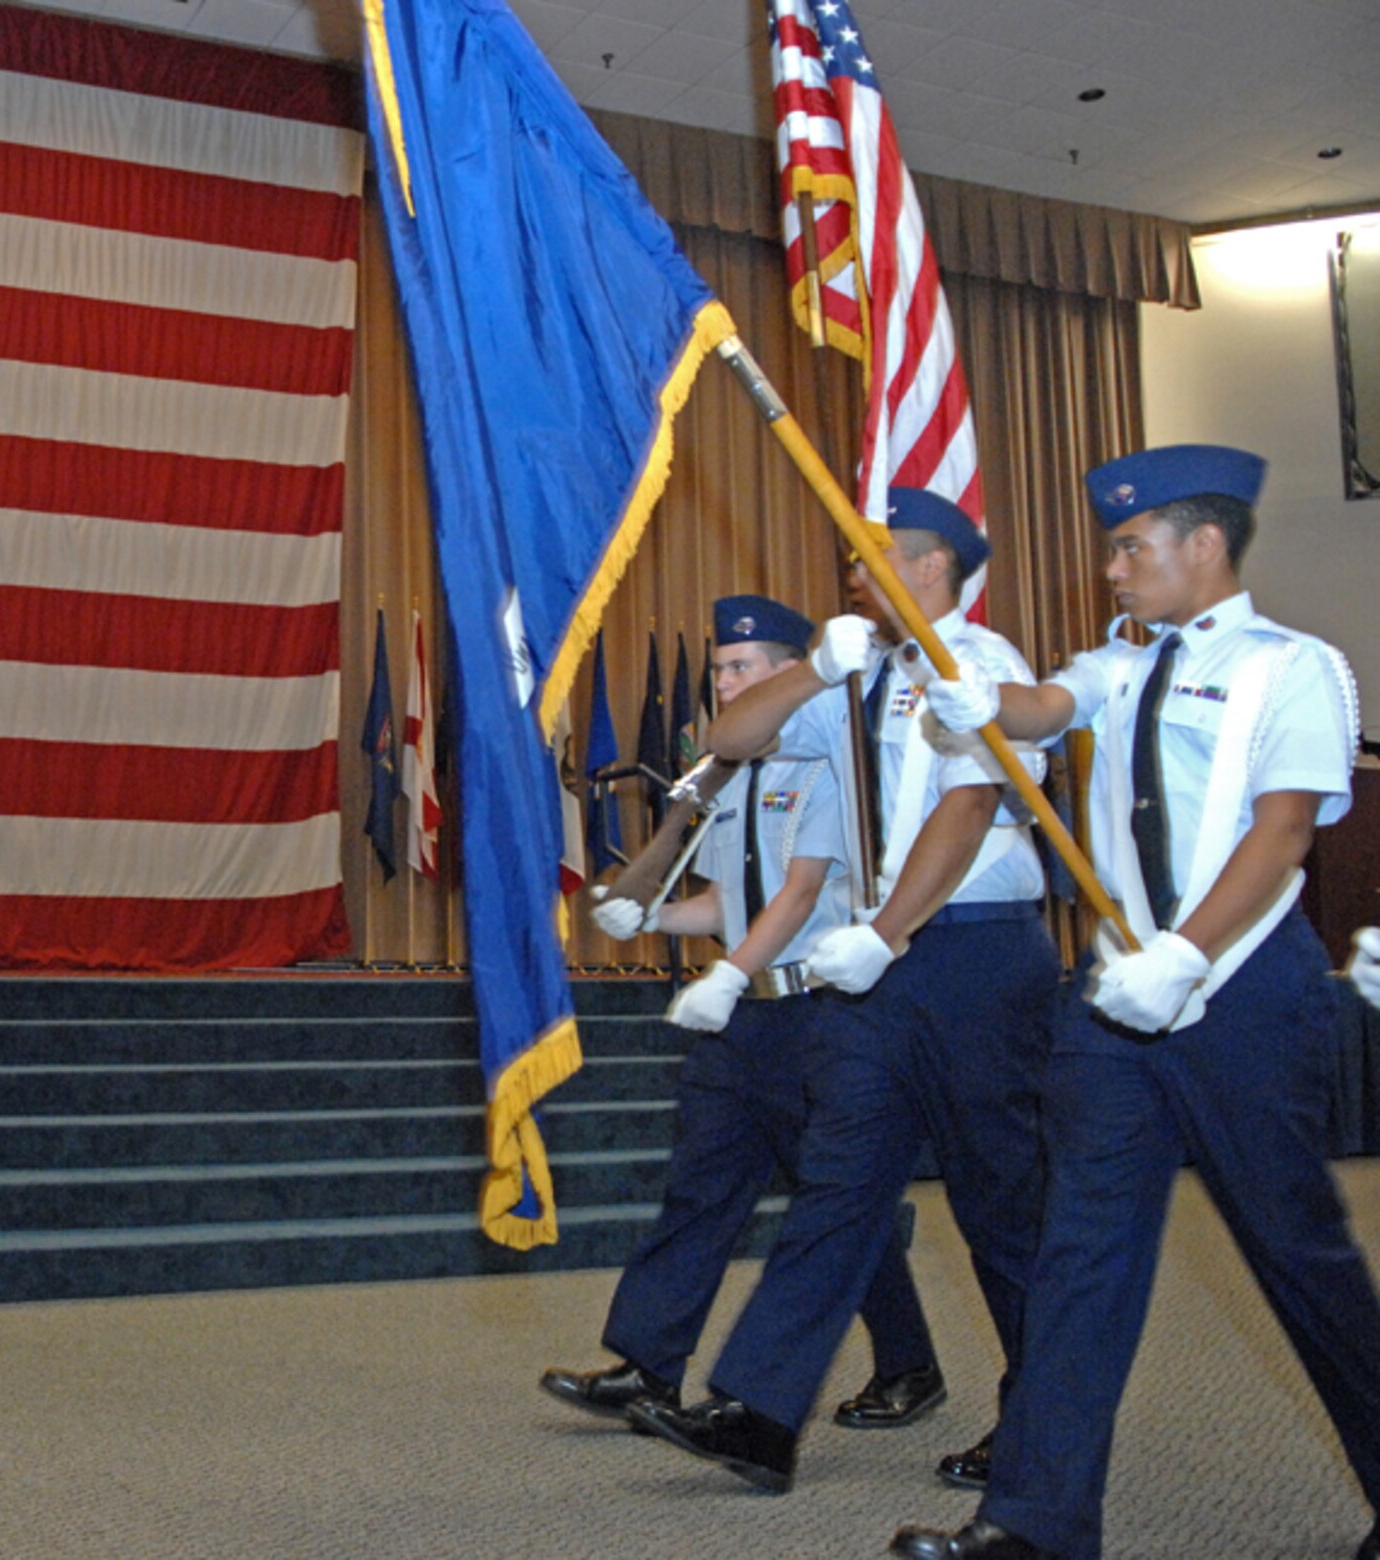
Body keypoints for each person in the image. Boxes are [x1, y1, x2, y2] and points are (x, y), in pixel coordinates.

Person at [892, 446, 1380, 1560]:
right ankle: (1032, 1520)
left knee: (1294, 1253)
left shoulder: (1289, 667)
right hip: (1116, 1003)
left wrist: (1185, 955)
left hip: (1242, 993)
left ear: (1202, 545)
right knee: (1078, 1252)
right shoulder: (1114, 665)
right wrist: (982, 701)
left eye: (1129, 546)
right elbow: (1045, 704)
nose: (1110, 568)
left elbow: (1283, 831)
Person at [628, 490, 1059, 1497]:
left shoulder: (980, 667)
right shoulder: (862, 679)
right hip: (878, 970)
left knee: (998, 1198)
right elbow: (733, 739)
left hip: (968, 958)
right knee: (837, 1180)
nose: (851, 577)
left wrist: (885, 929)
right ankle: (763, 1412)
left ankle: (1041, 1418)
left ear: (928, 568)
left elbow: (967, 806)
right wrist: (815, 669)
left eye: (869, 559)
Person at [541, 596, 945, 1441]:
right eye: (720, 668)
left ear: (788, 671)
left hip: (815, 1012)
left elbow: (800, 893)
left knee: (832, 1199)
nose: (724, 682)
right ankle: (648, 1365)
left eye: (741, 669)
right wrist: (649, 917)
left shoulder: (829, 761)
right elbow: (729, 899)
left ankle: (908, 1363)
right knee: (699, 1187)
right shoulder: (726, 776)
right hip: (743, 1018)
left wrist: (729, 971)